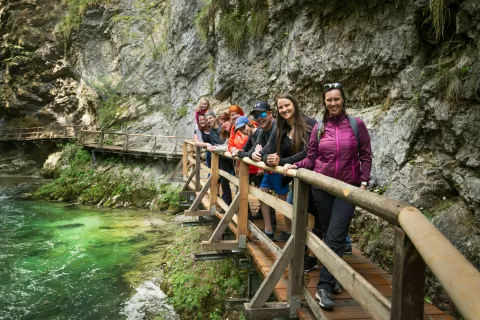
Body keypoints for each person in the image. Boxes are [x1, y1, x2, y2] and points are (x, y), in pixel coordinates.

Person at [284, 82, 372, 309]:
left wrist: (363, 181)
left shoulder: (356, 125)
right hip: (321, 188)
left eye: (337, 99)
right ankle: (333, 279)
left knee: (334, 236)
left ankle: (323, 287)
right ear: (324, 102)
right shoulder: (320, 128)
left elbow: (366, 154)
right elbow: (312, 158)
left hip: (346, 189)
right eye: (329, 100)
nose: (333, 103)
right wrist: (294, 166)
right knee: (331, 236)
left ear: (343, 100)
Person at [256, 93, 317, 242]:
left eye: (287, 105)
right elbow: (267, 150)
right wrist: (266, 158)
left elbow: (308, 152)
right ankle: (298, 243)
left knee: (315, 214)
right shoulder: (281, 127)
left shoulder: (309, 123)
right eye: (280, 107)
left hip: (313, 174)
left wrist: (280, 161)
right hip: (297, 177)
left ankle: (341, 243)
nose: (284, 109)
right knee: (291, 208)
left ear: (294, 105)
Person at [237, 101, 278, 231]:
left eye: (263, 114)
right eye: (256, 116)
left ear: (270, 114)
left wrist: (257, 154)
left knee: (286, 203)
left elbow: (269, 147)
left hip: (284, 169)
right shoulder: (261, 131)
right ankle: (268, 230)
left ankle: (289, 233)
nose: (260, 118)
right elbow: (248, 151)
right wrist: (252, 154)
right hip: (272, 169)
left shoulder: (276, 126)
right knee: (263, 194)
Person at [208, 112, 234, 207]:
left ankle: (232, 203)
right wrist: (216, 147)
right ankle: (226, 201)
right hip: (221, 156)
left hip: (228, 156)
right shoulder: (213, 130)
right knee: (223, 179)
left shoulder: (230, 130)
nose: (223, 125)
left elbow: (227, 145)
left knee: (228, 179)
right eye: (221, 123)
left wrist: (216, 148)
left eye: (225, 122)